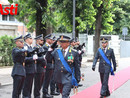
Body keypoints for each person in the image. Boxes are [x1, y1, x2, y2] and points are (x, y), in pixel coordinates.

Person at [23, 33, 37, 98]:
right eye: (30, 38)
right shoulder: (25, 47)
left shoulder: (30, 47)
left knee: (30, 85)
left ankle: (28, 96)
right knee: (26, 86)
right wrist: (32, 58)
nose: (32, 40)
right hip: (27, 69)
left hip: (32, 69)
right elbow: (24, 59)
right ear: (26, 40)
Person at [42, 34, 54, 98]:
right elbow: (47, 56)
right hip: (47, 64)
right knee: (46, 80)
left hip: (50, 64)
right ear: (47, 39)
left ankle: (46, 92)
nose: (51, 40)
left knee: (48, 80)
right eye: (50, 39)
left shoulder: (49, 46)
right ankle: (44, 93)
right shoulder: (45, 46)